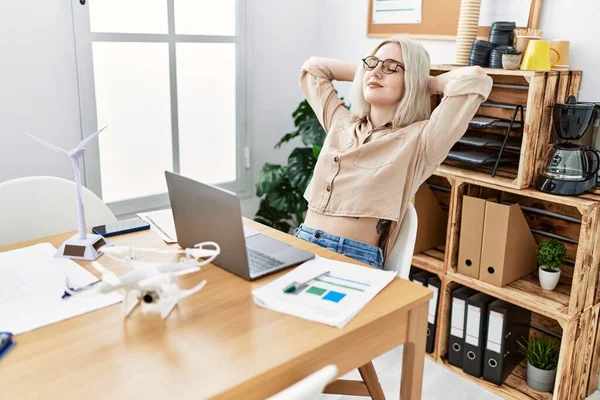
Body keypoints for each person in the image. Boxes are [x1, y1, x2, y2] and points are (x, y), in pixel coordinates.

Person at [293, 36, 493, 269]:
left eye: (391, 67)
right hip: (301, 243)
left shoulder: (422, 140)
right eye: (372, 63)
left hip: (350, 257)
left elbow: (475, 77)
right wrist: (368, 73)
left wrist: (421, 83)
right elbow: (313, 68)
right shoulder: (341, 124)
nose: (376, 73)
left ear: (411, 80)